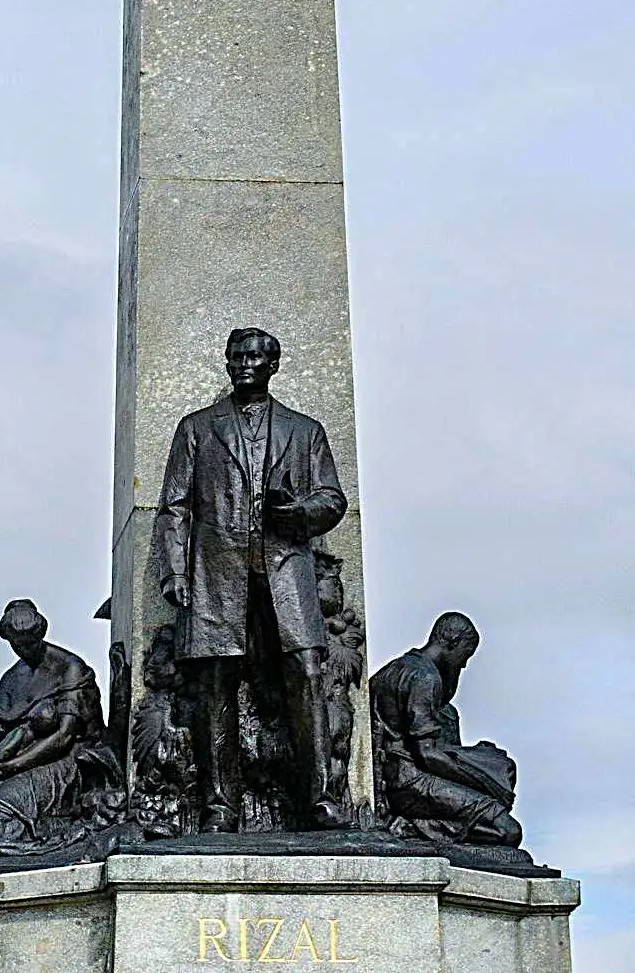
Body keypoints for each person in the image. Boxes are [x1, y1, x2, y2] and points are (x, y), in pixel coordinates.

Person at [151, 327, 348, 830]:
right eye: (236, 357)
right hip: (217, 575)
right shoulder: (197, 427)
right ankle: (219, 806)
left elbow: (332, 499)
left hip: (285, 573)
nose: (244, 365)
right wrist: (175, 570)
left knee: (306, 674)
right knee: (214, 684)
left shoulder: (305, 431)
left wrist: (297, 512)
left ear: (273, 365)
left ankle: (322, 799)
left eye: (255, 357)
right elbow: (174, 506)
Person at [0, 600, 123, 863]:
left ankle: (29, 838)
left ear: (40, 634)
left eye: (29, 642)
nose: (24, 650)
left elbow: (64, 736)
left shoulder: (69, 667)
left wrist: (12, 765)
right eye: (17, 644)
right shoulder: (11, 679)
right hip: (18, 756)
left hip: (69, 762)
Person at [370, 612, 524, 849]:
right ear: (452, 642)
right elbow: (427, 754)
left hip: (397, 777)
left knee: (495, 761)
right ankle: (416, 826)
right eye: (465, 654)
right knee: (509, 832)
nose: (463, 664)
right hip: (410, 782)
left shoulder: (394, 669)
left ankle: (420, 825)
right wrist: (487, 782)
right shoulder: (425, 677)